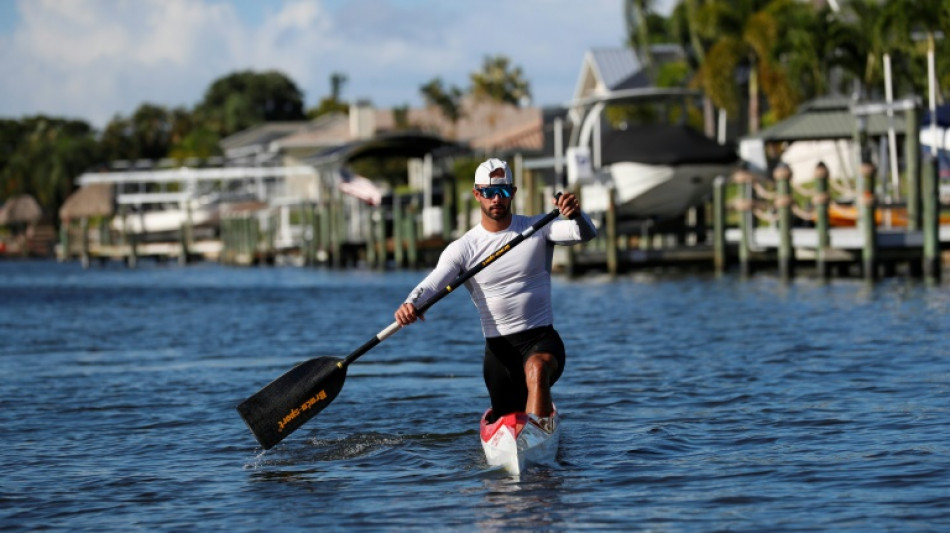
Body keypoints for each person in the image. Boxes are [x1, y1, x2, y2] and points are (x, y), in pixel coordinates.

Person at [394, 158, 596, 424]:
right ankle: (531, 424)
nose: (496, 199)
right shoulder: (463, 248)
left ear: (512, 193)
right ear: (477, 194)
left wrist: (576, 214)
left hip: (542, 339)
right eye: (489, 193)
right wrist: (411, 303)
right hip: (500, 354)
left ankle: (537, 436)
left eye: (502, 192)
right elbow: (432, 284)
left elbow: (586, 233)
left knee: (537, 370)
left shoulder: (538, 228)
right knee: (507, 415)